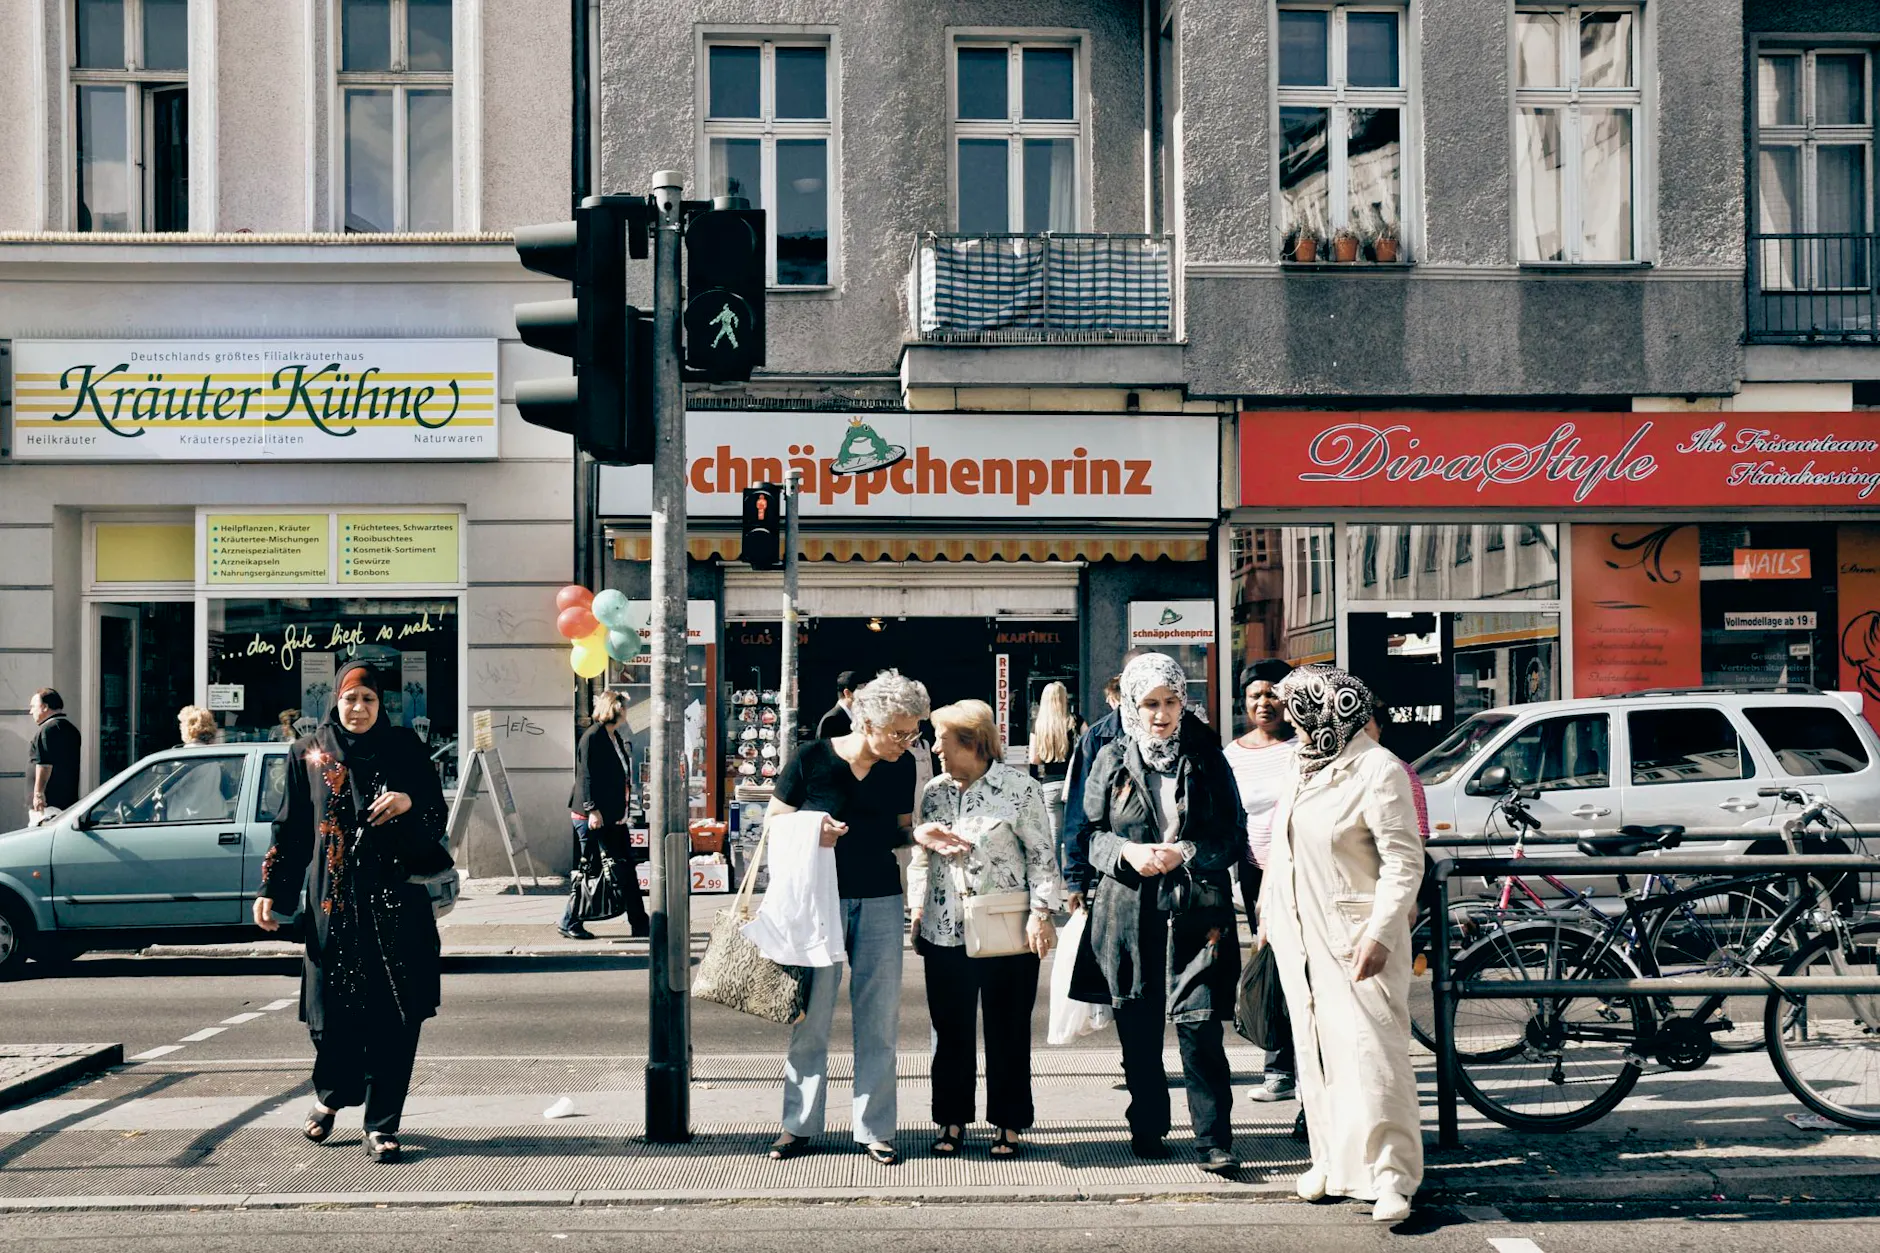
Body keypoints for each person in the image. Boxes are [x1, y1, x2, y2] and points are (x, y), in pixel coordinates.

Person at [253, 662, 452, 1163]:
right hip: (334, 908)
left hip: (395, 907)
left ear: (381, 703)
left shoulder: (405, 748)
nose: (358, 709)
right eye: (349, 699)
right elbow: (292, 829)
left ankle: (383, 1123)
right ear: (334, 702)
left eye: (368, 699)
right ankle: (330, 1094)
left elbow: (435, 814)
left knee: (396, 1016)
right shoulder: (308, 754)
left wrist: (409, 802)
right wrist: (272, 890)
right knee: (333, 1016)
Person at [1262, 666, 1424, 1223]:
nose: (1291, 725)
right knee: (1316, 1052)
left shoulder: (1378, 769)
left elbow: (1404, 861)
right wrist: (1268, 914)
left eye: (1297, 712)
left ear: (1327, 710)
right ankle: (1330, 1161)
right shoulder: (1303, 765)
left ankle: (1392, 1177)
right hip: (1299, 935)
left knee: (1373, 1057)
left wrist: (1381, 931)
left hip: (1356, 937)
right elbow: (1281, 846)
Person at [1071, 653, 1243, 1175]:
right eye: (1150, 704)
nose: (1161, 714)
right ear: (1131, 705)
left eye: (1170, 702)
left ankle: (1213, 1140)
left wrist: (1185, 851)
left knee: (1200, 1026)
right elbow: (1087, 834)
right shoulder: (1110, 757)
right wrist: (1126, 853)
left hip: (1197, 911)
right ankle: (1147, 1125)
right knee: (1139, 1027)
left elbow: (1231, 835)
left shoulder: (1207, 756)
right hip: (1128, 909)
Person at [765, 669, 928, 1166]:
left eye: (913, 732)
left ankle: (874, 1128)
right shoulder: (811, 758)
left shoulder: (900, 768)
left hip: (880, 898)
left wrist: (920, 837)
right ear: (866, 720)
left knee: (878, 1022)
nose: (907, 741)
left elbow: (900, 832)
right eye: (898, 731)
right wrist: (813, 829)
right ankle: (798, 1125)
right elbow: (773, 822)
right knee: (810, 1019)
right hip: (819, 901)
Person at [909, 699, 1062, 1159]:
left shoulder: (1019, 788)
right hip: (944, 928)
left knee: (1008, 1029)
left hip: (1005, 928)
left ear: (972, 743)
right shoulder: (934, 791)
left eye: (943, 740)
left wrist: (1042, 912)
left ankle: (1009, 1123)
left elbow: (1041, 855)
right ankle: (951, 1121)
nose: (935, 748)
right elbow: (921, 856)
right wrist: (916, 911)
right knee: (949, 1031)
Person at [1222, 660, 1299, 1104]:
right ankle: (1279, 1067)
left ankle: (1302, 1067)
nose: (1264, 703)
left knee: (1299, 966)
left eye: (1272, 694)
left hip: (1298, 869)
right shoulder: (1232, 755)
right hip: (1255, 873)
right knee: (1269, 963)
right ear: (1244, 702)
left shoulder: (1301, 747)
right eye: (1255, 696)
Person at [561, 689, 648, 940]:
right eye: (624, 708)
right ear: (615, 709)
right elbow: (585, 776)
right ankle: (570, 921)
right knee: (592, 870)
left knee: (625, 867)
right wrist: (592, 809)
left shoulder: (615, 736)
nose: (627, 712)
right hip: (593, 817)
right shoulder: (593, 737)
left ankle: (639, 922)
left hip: (613, 816)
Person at [1365, 696, 1431, 842]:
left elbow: (1418, 835)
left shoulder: (1398, 771)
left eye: (1366, 730)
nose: (1359, 739)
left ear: (1380, 729)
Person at [1027, 681, 1078, 837]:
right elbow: (1089, 749)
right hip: (1073, 783)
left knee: (1054, 834)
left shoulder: (1038, 726)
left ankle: (1055, 862)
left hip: (1050, 784)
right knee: (1074, 831)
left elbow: (1034, 759)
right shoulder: (1075, 721)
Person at [27, 688, 81, 825]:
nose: (31, 711)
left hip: (47, 808)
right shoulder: (70, 728)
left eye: (33, 706)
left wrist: (38, 794)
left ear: (45, 707)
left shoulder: (47, 729)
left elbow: (45, 765)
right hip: (64, 802)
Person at [815, 670, 865, 740]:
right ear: (847, 693)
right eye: (862, 690)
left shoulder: (855, 716)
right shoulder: (831, 720)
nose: (866, 695)